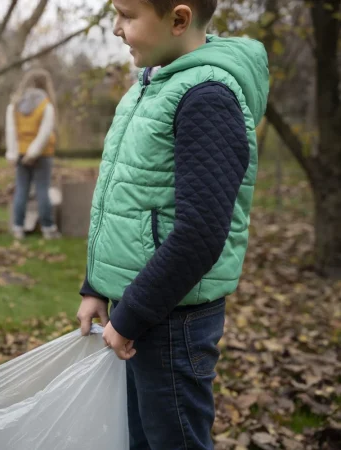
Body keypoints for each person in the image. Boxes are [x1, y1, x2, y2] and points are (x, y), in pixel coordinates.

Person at [76, 0, 269, 448]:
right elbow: (128, 201)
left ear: (179, 20)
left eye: (126, 15)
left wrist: (131, 316)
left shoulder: (207, 98)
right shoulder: (153, 84)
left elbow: (199, 235)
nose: (116, 29)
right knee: (140, 439)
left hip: (172, 322)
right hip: (140, 311)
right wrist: (96, 286)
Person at [5, 68, 60, 240]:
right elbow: (45, 132)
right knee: (43, 190)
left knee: (21, 189)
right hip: (42, 154)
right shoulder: (47, 105)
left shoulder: (14, 105)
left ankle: (18, 228)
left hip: (21, 153)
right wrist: (34, 153)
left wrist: (13, 154)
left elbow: (11, 130)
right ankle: (48, 228)